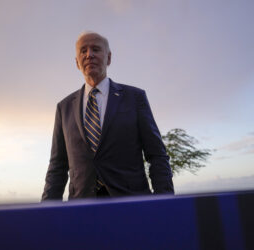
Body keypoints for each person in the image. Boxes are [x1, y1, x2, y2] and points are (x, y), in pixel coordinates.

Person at [42, 31, 174, 200]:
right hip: (81, 210)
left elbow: (157, 155)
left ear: (109, 58)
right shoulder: (64, 107)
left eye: (96, 49)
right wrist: (46, 211)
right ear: (77, 62)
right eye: (83, 51)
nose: (89, 54)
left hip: (131, 205)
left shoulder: (135, 98)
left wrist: (164, 202)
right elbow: (57, 166)